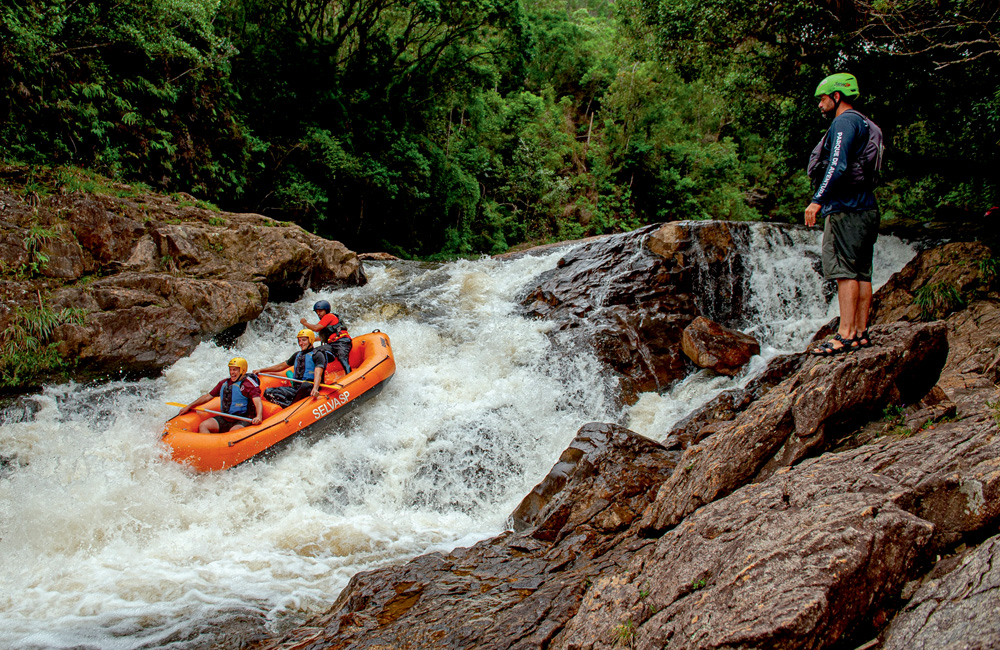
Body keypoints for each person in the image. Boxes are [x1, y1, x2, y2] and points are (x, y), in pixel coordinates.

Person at [804, 72, 881, 356]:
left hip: (846, 209)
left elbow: (837, 164)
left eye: (823, 99)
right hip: (867, 207)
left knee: (845, 272)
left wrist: (817, 200)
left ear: (837, 96)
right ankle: (860, 333)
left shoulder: (843, 122)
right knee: (862, 272)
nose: (820, 104)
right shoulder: (865, 122)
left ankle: (845, 335)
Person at [179, 357, 263, 433]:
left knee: (233, 432)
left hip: (243, 419)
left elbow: (258, 402)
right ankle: (209, 444)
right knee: (203, 426)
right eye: (230, 369)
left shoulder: (249, 385)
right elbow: (208, 396)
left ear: (243, 370)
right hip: (226, 418)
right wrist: (189, 406)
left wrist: (258, 416)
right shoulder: (224, 383)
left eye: (235, 370)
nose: (232, 372)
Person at [255, 329, 328, 407]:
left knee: (305, 385)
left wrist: (315, 388)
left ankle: (293, 404)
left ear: (311, 340)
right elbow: (281, 366)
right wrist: (262, 370)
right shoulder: (297, 355)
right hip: (296, 389)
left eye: (304, 340)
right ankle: (289, 405)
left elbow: (318, 373)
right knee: (268, 392)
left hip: (310, 387)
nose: (301, 343)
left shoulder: (318, 355)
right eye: (299, 341)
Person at [301, 300, 352, 373]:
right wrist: (310, 340)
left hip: (342, 342)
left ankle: (349, 374)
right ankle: (318, 377)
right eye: (317, 312)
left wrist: (305, 323)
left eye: (320, 311)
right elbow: (322, 338)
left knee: (342, 358)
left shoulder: (329, 316)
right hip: (332, 345)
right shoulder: (325, 323)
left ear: (326, 310)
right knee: (316, 353)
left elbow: (316, 328)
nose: (318, 313)